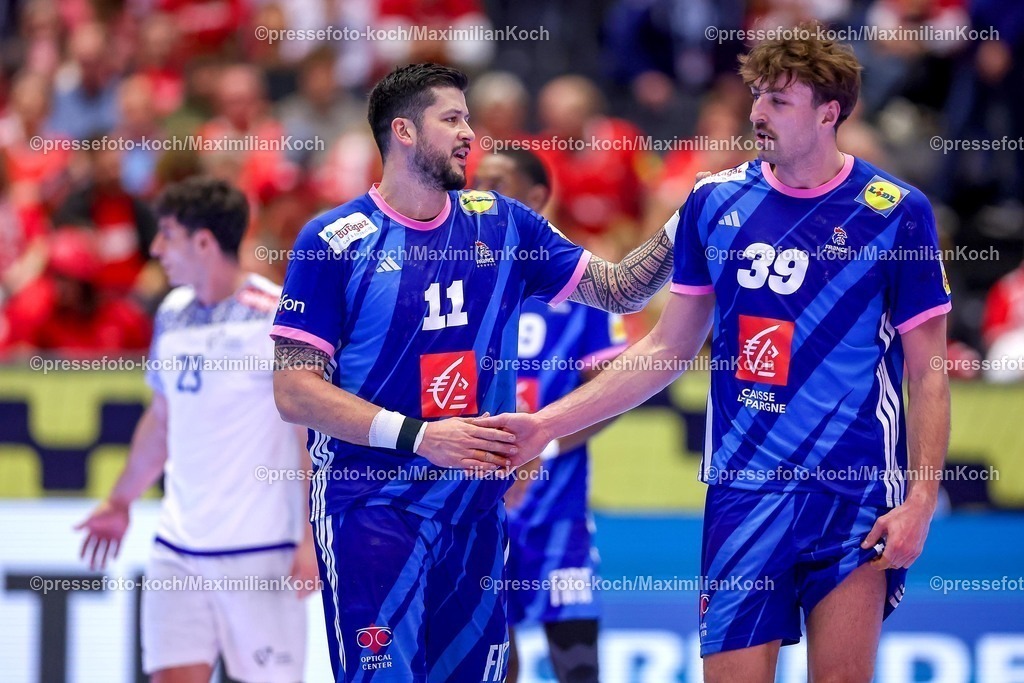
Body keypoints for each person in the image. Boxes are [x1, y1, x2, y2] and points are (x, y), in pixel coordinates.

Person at [483, 27, 952, 683]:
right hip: (742, 491)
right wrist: (545, 425)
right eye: (757, 96)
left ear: (830, 111)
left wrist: (922, 499)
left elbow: (928, 369)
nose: (758, 112)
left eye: (780, 100)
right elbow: (667, 347)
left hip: (852, 493)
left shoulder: (897, 212)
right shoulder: (715, 201)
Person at [270, 63, 675, 683]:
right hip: (372, 507)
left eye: (468, 119)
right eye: (451, 119)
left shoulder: (503, 223)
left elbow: (619, 290)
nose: (468, 133)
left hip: (475, 512)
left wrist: (686, 218)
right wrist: (422, 437)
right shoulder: (334, 242)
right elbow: (295, 390)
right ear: (402, 132)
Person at [76, 176, 318, 683]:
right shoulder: (171, 314)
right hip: (177, 549)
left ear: (204, 242)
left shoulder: (277, 315)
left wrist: (310, 537)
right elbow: (162, 420)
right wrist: (120, 502)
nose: (156, 248)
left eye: (167, 234)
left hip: (260, 552)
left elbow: (308, 435)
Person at [475, 149, 627, 683]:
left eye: (498, 185)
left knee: (577, 663)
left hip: (556, 508)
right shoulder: (459, 282)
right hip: (478, 505)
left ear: (538, 200)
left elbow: (612, 390)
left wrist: (550, 442)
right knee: (494, 658)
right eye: (477, 186)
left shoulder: (583, 281)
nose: (483, 198)